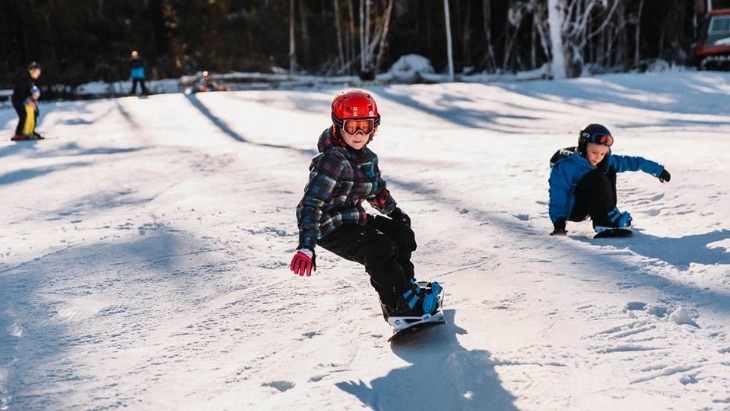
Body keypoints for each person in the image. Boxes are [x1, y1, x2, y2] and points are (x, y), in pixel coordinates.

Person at [290, 89, 442, 320]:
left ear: (374, 127)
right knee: (379, 248)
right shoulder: (332, 161)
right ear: (338, 126)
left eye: (366, 126)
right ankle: (399, 305)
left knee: (401, 234)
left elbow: (376, 190)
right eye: (352, 127)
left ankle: (406, 288)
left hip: (353, 218)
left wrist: (394, 211)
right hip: (329, 226)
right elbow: (310, 204)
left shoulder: (367, 157)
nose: (359, 134)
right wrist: (306, 246)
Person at [548, 123, 671, 236]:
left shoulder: (604, 161)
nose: (598, 157)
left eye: (602, 154)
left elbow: (631, 162)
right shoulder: (566, 165)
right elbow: (558, 194)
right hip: (573, 210)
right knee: (595, 176)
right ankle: (604, 222)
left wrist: (658, 170)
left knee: (609, 170)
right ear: (584, 147)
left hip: (589, 205)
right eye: (594, 152)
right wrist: (559, 224)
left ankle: (608, 215)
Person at [11, 62, 43, 141]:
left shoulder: (30, 80)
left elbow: (31, 91)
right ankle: (18, 133)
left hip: (25, 100)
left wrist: (34, 98)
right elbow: (21, 92)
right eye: (36, 72)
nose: (38, 74)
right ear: (31, 71)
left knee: (34, 113)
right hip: (18, 101)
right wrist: (28, 100)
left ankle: (31, 131)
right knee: (23, 116)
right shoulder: (24, 79)